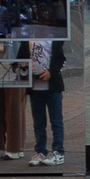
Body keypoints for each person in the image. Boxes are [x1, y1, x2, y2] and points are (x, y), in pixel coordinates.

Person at [27, 37, 66, 165]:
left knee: (56, 121)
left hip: (52, 86)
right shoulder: (28, 39)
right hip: (35, 87)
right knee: (38, 123)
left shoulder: (54, 39)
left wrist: (51, 72)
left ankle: (58, 151)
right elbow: (21, 57)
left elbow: (60, 59)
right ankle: (40, 151)